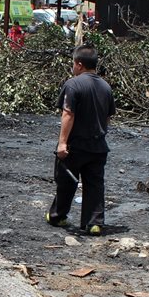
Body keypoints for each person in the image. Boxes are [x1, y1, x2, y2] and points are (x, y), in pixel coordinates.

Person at [46, 45, 115, 235]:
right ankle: (94, 223)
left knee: (67, 180)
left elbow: (68, 114)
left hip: (76, 145)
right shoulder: (106, 87)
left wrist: (62, 143)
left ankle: (58, 215)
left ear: (79, 64)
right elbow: (108, 116)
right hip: (98, 145)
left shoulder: (73, 84)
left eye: (73, 64)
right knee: (94, 184)